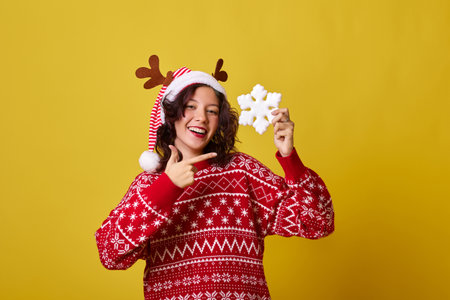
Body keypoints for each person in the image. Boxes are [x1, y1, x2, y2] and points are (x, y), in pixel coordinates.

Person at [95, 55, 334, 300]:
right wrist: (167, 187)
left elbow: (318, 222)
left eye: (212, 111)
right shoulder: (149, 185)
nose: (201, 118)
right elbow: (110, 253)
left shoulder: (243, 171)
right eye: (191, 106)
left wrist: (289, 157)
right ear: (172, 114)